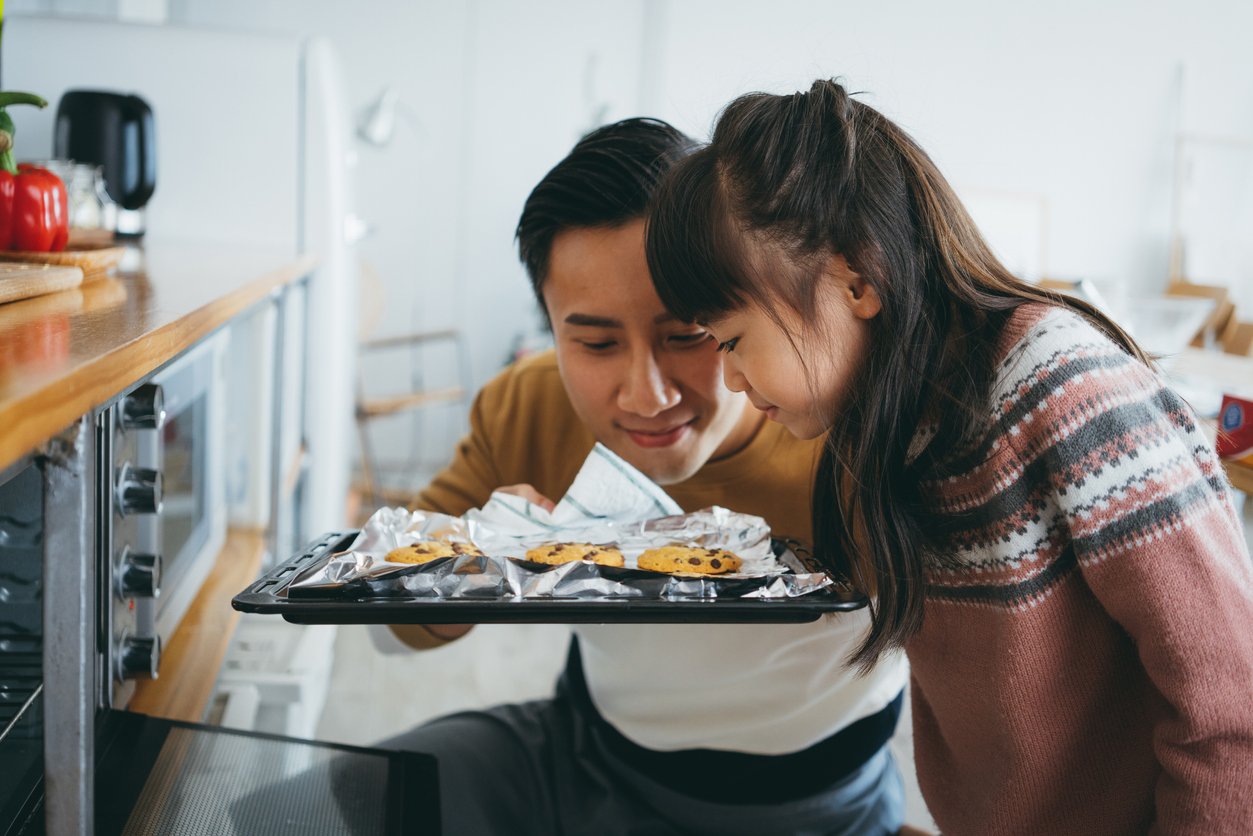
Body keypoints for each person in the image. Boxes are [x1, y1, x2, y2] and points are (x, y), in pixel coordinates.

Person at [643, 79, 1253, 836]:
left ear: (854, 280)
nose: (729, 377)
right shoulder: (878, 427)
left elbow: (1229, 707)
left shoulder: (1063, 391)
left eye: (731, 340)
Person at [366, 118, 911, 836]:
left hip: (816, 802)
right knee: (316, 808)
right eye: (594, 342)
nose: (646, 396)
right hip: (583, 757)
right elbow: (381, 627)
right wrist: (475, 574)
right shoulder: (527, 407)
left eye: (688, 335)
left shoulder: (853, 430)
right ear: (549, 329)